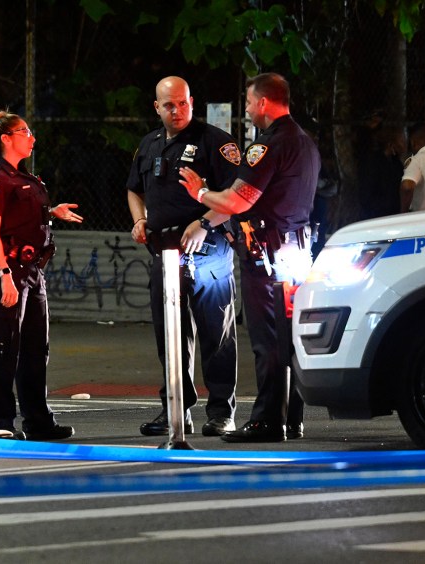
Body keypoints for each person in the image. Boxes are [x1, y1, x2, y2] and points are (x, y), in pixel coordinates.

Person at [180, 72, 319, 442]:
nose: (245, 109)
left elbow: (238, 200)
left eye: (247, 102)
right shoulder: (305, 142)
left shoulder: (268, 145)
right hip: (296, 251)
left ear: (262, 103)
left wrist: (201, 192)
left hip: (267, 256)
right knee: (287, 337)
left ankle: (266, 420)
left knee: (267, 339)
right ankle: (291, 417)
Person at [125, 76, 240, 438]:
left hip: (209, 252)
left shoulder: (215, 143)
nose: (177, 111)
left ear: (192, 101)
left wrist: (205, 223)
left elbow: (238, 197)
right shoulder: (149, 144)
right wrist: (139, 219)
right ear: (156, 108)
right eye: (169, 105)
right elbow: (134, 190)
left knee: (216, 335)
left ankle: (222, 412)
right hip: (165, 253)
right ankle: (175, 408)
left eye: (183, 103)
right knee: (169, 336)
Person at [0, 105, 82, 441]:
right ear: (6, 138)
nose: (32, 138)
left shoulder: (24, 178)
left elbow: (25, 215)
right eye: (25, 132)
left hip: (32, 273)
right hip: (7, 271)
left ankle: (38, 422)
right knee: (4, 348)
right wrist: (4, 274)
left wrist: (51, 211)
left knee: (35, 348)